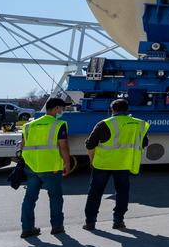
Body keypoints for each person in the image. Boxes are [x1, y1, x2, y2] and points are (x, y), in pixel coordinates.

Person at [83, 98, 150, 231]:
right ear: (127, 109)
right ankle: (118, 221)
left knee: (95, 193)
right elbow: (144, 143)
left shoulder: (104, 124)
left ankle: (90, 222)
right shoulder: (140, 124)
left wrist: (92, 160)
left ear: (112, 110)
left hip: (102, 164)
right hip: (124, 164)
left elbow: (90, 145)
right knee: (122, 193)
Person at [19, 97, 73, 238]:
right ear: (56, 108)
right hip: (51, 167)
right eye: (62, 108)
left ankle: (27, 228)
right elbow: (63, 146)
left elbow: (22, 146)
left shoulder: (28, 125)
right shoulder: (59, 124)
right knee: (55, 198)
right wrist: (67, 164)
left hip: (31, 167)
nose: (63, 111)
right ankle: (57, 227)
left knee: (29, 198)